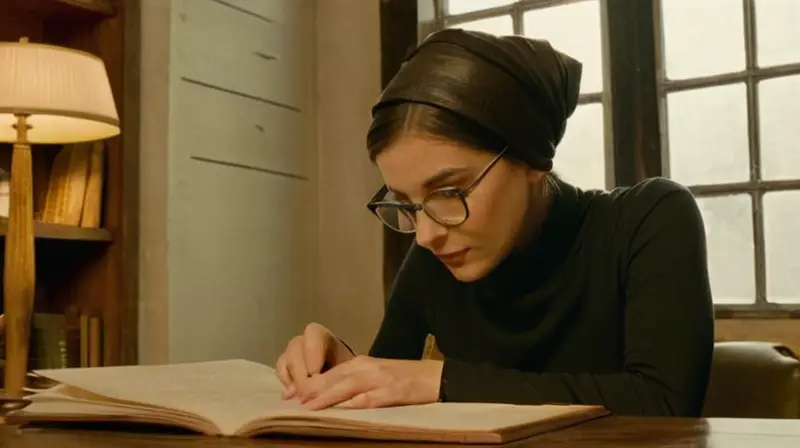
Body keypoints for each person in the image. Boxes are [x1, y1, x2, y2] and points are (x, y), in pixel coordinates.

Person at [275, 28, 715, 417]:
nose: (426, 235)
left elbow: (664, 402)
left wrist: (443, 381)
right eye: (407, 204)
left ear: (532, 157)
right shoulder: (437, 251)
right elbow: (394, 382)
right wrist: (344, 370)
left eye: (450, 192)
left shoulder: (648, 220)